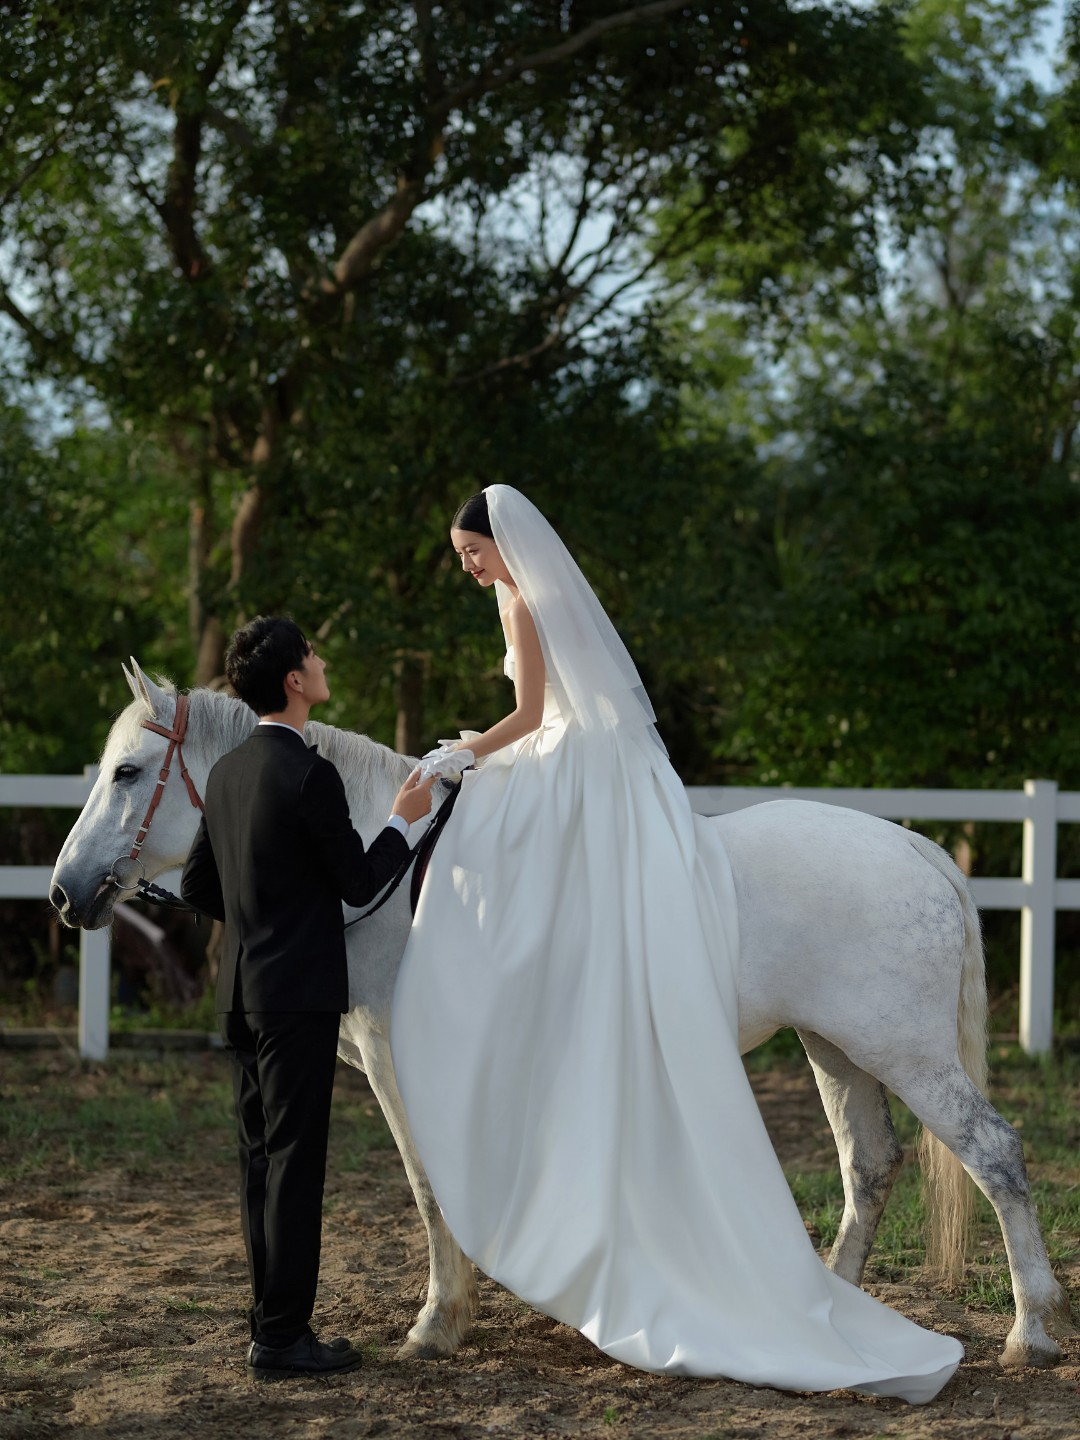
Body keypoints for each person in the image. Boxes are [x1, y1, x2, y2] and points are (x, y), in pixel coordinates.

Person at [390, 486, 964, 1403]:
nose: (469, 567)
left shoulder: (527, 600)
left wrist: (467, 753)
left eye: (471, 552)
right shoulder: (517, 595)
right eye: (463, 557)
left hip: (578, 762)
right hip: (581, 754)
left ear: (501, 545)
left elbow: (539, 718)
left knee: (494, 831)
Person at [180, 615, 436, 1380]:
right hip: (298, 997)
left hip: (242, 993)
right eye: (314, 656)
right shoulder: (311, 774)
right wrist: (402, 820)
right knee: (295, 1164)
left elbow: (198, 886)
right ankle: (285, 1338)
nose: (322, 663)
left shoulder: (227, 774)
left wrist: (265, 908)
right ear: (295, 681)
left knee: (258, 1161)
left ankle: (267, 1324)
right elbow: (359, 881)